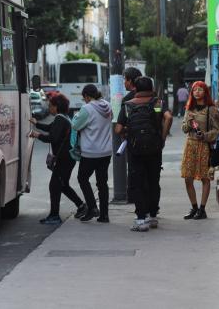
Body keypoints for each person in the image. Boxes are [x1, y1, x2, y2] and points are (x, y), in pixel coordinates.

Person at [115, 77, 172, 232]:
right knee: (154, 181)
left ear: (136, 89)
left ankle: (141, 219)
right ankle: (153, 216)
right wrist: (163, 137)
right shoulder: (158, 103)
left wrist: (129, 131)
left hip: (135, 150)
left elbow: (118, 129)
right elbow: (168, 117)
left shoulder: (128, 105)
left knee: (137, 184)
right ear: (151, 87)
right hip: (154, 148)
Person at [30, 94, 85, 225]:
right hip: (67, 158)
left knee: (55, 185)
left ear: (56, 106)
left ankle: (54, 215)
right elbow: (50, 128)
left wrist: (37, 135)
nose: (49, 108)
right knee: (62, 185)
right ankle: (82, 206)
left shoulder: (60, 119)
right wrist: (36, 123)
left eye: (51, 106)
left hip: (64, 159)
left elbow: (53, 137)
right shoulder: (63, 118)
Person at [180, 81, 219, 220]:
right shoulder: (189, 109)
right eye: (194, 90)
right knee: (188, 178)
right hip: (190, 144)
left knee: (205, 177)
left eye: (200, 89)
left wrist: (205, 135)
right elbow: (184, 129)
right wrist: (188, 123)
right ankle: (194, 207)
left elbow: (218, 129)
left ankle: (202, 209)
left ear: (205, 92)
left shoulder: (211, 109)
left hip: (204, 146)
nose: (197, 92)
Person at [72, 84, 113, 222]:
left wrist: (77, 115)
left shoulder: (87, 108)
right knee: (102, 183)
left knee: (82, 178)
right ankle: (104, 215)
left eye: (84, 98)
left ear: (87, 96)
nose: (84, 101)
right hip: (106, 151)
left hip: (90, 152)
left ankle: (92, 207)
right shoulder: (107, 105)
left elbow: (75, 125)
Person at [122, 67, 142, 203]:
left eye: (125, 79)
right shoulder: (153, 97)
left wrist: (124, 133)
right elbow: (167, 117)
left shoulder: (127, 99)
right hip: (153, 143)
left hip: (134, 143)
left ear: (130, 81)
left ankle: (138, 208)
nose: (124, 83)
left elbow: (119, 128)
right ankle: (152, 210)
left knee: (135, 173)